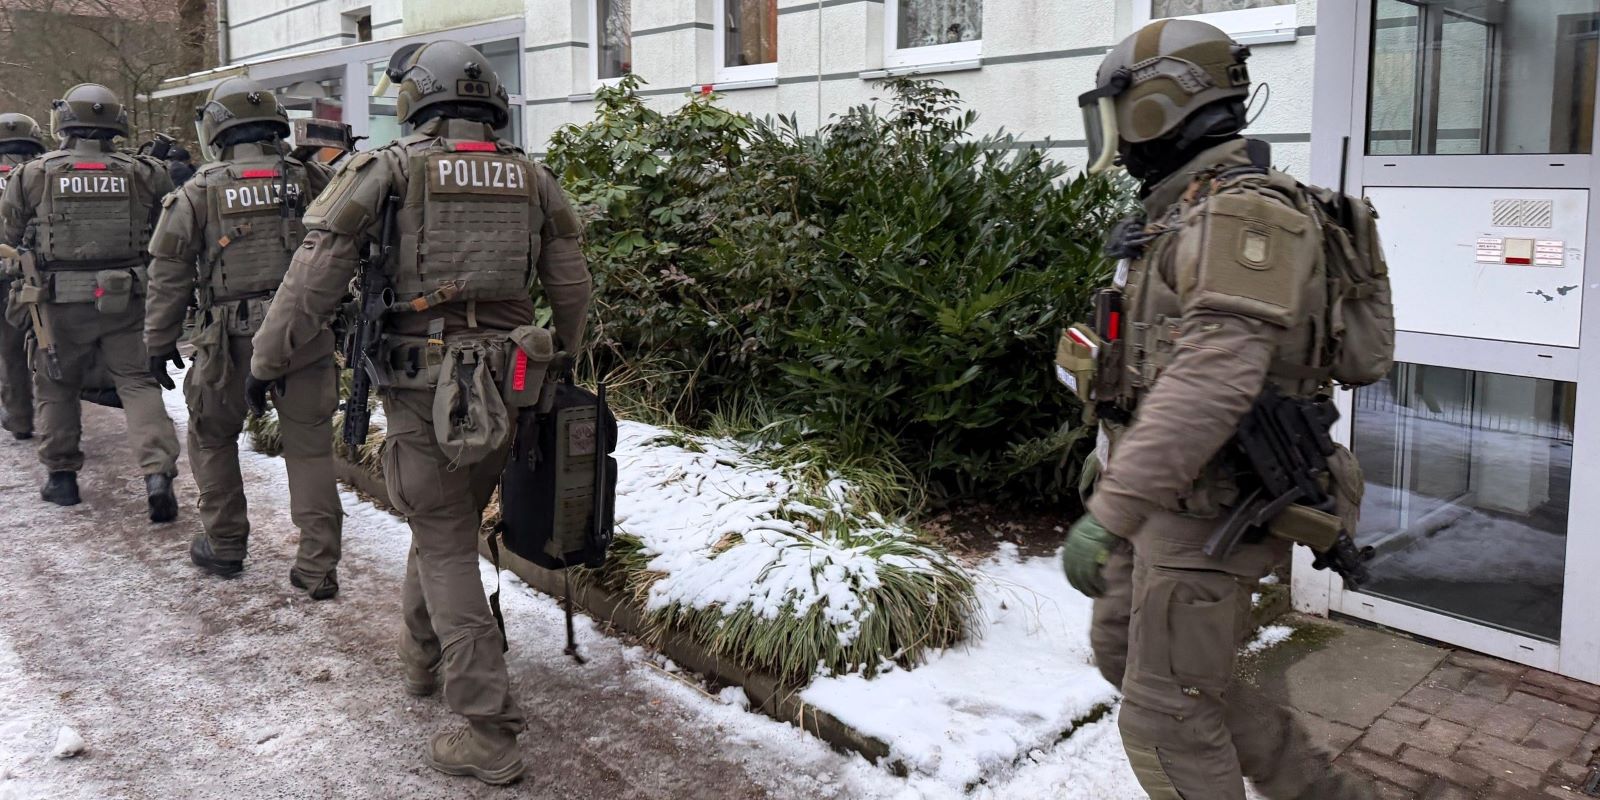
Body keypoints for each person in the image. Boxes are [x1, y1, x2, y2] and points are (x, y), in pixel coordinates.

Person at [251, 40, 592, 784]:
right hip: (514, 383)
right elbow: (572, 285)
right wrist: (562, 359)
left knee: (441, 538)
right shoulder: (532, 175)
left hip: (422, 389)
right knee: (446, 522)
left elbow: (311, 281)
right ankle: (420, 656)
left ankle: (486, 726)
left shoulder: (388, 168)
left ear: (419, 99)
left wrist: (267, 361)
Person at [1060, 20, 1377, 800]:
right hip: (1171, 496)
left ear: (1159, 106)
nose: (1115, 136)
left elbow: (1211, 381)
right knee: (1126, 650)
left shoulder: (1241, 215)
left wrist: (1110, 509)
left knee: (1165, 715)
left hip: (1216, 504)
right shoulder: (1184, 209)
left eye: (1118, 110)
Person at [144, 78, 344, 598]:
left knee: (212, 436)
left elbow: (169, 275)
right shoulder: (313, 178)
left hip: (225, 341)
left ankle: (226, 543)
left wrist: (159, 341)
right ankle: (318, 567)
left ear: (215, 130)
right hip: (305, 333)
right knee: (310, 448)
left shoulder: (194, 192)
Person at [0, 84, 181, 517]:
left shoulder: (32, 174)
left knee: (56, 383)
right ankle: (157, 472)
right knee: (138, 383)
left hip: (57, 303)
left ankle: (62, 478)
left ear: (62, 122)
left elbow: (6, 238)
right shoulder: (147, 172)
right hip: (130, 297)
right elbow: (168, 225)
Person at [0, 112, 47, 441]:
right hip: (38, 272)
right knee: (50, 343)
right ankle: (58, 414)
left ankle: (20, 418)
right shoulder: (42, 173)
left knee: (9, 349)